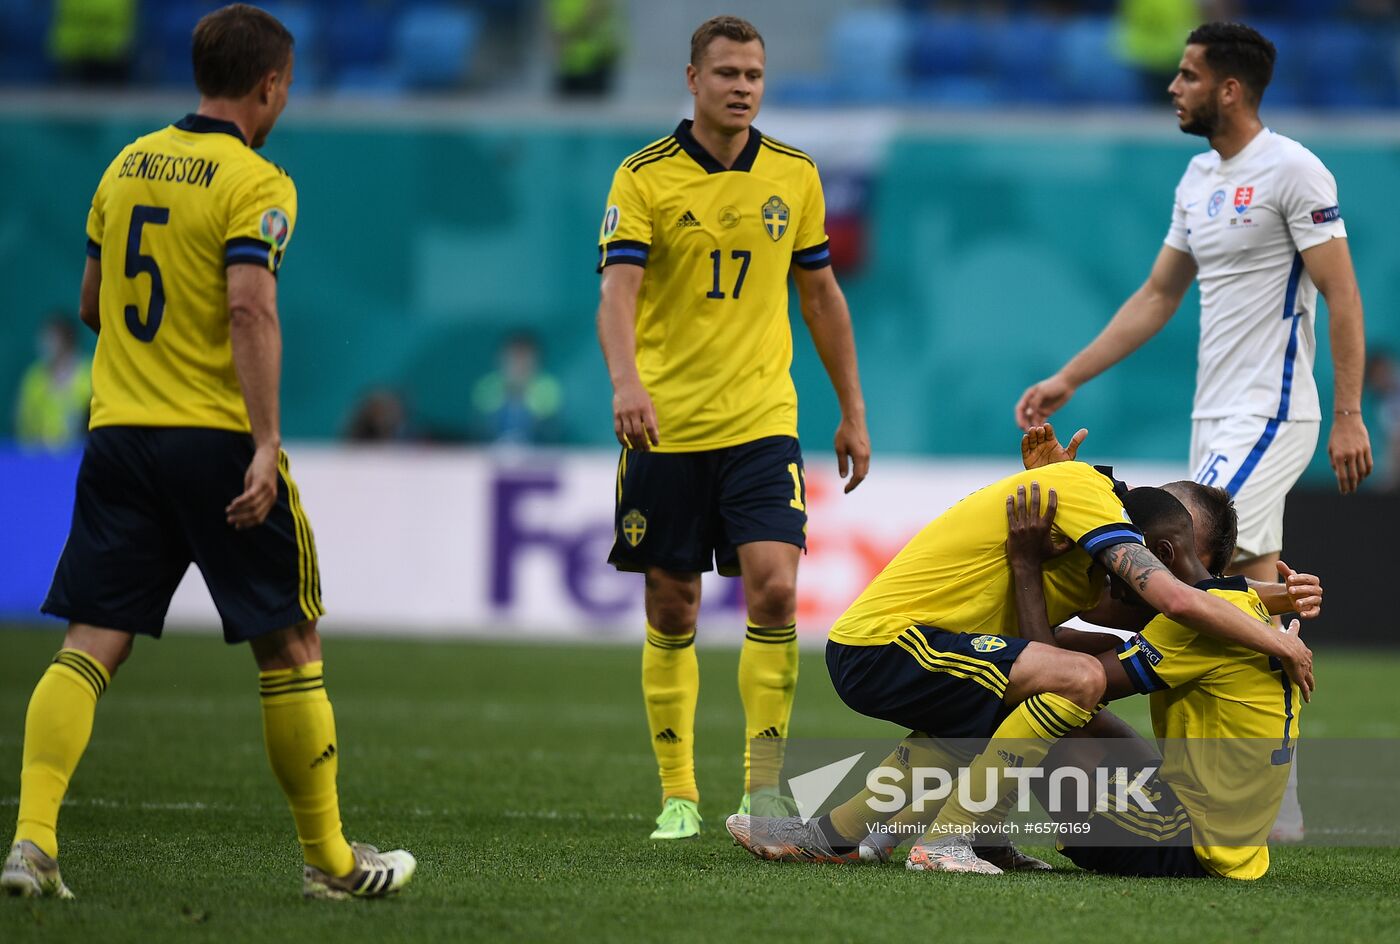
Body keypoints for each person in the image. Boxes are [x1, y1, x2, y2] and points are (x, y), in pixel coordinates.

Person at [1, 5, 414, 901]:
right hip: (213, 441)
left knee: (90, 643)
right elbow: (248, 309)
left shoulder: (126, 162)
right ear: (270, 84)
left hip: (118, 436)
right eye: (289, 84)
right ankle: (331, 862)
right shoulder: (256, 179)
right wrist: (264, 441)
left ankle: (31, 845)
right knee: (291, 644)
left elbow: (90, 303)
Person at [1015, 23, 1371, 839]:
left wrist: (1347, 414)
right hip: (1216, 416)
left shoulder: (1293, 170)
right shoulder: (1197, 178)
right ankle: (1274, 799)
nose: (1172, 87)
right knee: (1257, 603)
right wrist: (1071, 375)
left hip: (1271, 412)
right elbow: (1156, 296)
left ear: (1230, 89)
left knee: (1181, 579)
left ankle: (1164, 765)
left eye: (1186, 75)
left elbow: (1342, 297)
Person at [726, 456, 1314, 873]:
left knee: (1050, 693)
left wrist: (1258, 599)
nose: (1156, 582)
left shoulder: (1089, 541)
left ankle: (850, 836)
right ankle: (945, 839)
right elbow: (1173, 604)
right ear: (1156, 544)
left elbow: (1148, 617)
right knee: (1068, 687)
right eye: (1172, 559)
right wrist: (1272, 623)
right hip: (886, 642)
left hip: (1201, 835)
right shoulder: (1093, 515)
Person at [595, 15, 871, 840]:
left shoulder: (794, 174)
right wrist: (626, 383)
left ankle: (762, 788)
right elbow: (618, 296)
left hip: (762, 422)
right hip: (666, 427)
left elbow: (821, 296)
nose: (743, 86)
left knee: (778, 588)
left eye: (753, 73)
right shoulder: (643, 177)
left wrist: (852, 410)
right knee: (673, 604)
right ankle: (679, 792)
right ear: (692, 80)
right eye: (726, 73)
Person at [1007, 484, 1302, 879]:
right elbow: (1092, 625)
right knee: (1085, 696)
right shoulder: (1239, 603)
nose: (1114, 577)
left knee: (1026, 696)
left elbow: (1048, 680)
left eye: (1122, 563)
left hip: (1190, 844)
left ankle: (971, 835)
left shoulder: (1188, 627)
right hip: (1237, 842)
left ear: (1161, 555)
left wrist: (1025, 567)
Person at [470, 331, 564, 444]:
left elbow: (550, 431)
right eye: (513, 359)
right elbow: (480, 429)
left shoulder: (547, 388)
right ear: (500, 359)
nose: (519, 365)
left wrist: (522, 395)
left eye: (525, 359)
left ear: (537, 362)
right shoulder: (488, 386)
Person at [14, 316, 92, 451]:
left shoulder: (89, 374)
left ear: (67, 341)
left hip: (81, 456)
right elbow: (23, 426)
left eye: (51, 338)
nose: (45, 344)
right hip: (39, 460)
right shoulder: (33, 378)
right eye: (43, 338)